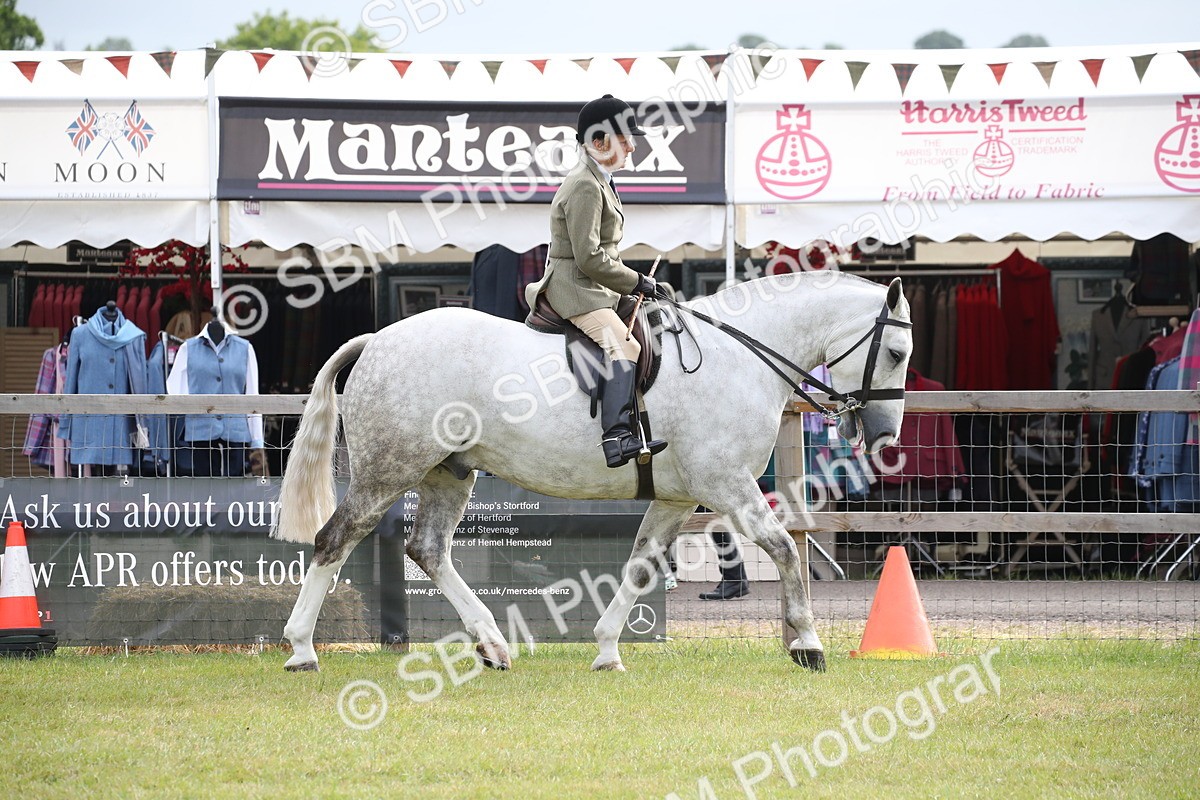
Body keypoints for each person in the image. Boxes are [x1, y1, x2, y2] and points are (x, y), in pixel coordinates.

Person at [524, 94, 667, 468]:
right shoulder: (584, 185)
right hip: (576, 289)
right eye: (624, 139)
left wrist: (637, 285)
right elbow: (589, 257)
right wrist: (635, 280)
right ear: (599, 142)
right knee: (627, 348)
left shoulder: (600, 179)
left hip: (597, 285)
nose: (632, 146)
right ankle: (616, 438)